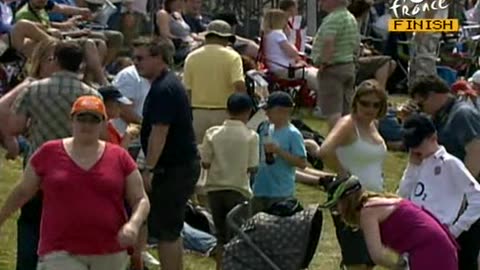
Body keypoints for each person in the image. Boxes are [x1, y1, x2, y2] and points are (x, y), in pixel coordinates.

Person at [0, 95, 150, 270]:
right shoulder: (49, 152)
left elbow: (141, 199)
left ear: (103, 123)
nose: (87, 125)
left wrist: (133, 225)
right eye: (82, 118)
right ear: (72, 120)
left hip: (110, 250)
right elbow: (22, 191)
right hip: (59, 249)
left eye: (94, 119)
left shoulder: (119, 157)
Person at [6, 40, 101, 270]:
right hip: (76, 167)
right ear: (80, 65)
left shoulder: (34, 89)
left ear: (54, 60)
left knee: (31, 222)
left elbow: (14, 127)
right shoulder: (91, 95)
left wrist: (33, 126)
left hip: (38, 168)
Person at [305, 79, 387, 270]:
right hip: (351, 200)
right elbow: (324, 151)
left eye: (376, 105)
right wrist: (344, 174)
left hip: (375, 199)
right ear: (356, 101)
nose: (370, 109)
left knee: (370, 259)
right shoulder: (348, 123)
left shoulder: (373, 125)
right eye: (365, 103)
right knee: (355, 261)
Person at [133, 36, 200, 270]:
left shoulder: (165, 89)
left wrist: (149, 169)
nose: (136, 63)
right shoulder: (163, 84)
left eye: (141, 58)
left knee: (167, 232)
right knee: (157, 224)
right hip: (175, 166)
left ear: (159, 58)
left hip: (174, 168)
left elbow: (159, 132)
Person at [399, 113, 480, 270]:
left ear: (433, 137)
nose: (415, 148)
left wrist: (455, 230)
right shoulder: (417, 164)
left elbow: (477, 198)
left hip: (437, 237)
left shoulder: (450, 164)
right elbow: (401, 199)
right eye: (411, 144)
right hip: (413, 237)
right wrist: (412, 168)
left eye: (418, 142)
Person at [323, 176, 459, 270]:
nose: (336, 212)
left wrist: (401, 265)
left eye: (336, 206)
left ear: (347, 200)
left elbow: (377, 255)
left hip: (430, 252)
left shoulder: (368, 212)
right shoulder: (378, 201)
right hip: (440, 248)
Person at [199, 92, 259, 270]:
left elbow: (206, 162)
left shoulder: (212, 133)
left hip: (215, 188)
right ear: (248, 112)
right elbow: (253, 167)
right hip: (238, 189)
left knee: (220, 235)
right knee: (238, 235)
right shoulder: (251, 136)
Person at [403, 75, 480, 180]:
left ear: (432, 94)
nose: (421, 110)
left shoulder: (462, 114)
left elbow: (475, 153)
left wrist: (462, 188)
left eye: (421, 105)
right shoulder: (439, 116)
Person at [183, 19, 246, 143]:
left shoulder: (191, 57)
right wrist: (242, 111)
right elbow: (239, 85)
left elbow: (187, 90)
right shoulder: (233, 56)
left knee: (201, 155)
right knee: (223, 156)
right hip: (225, 113)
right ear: (225, 38)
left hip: (198, 113)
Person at [252, 91, 307, 213]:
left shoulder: (293, 134)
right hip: (259, 188)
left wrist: (278, 151)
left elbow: (302, 163)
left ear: (284, 112)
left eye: (269, 110)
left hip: (280, 192)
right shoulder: (264, 128)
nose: (266, 114)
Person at [311, 0, 360, 130]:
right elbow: (356, 44)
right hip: (348, 66)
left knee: (333, 110)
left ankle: (335, 142)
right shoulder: (351, 18)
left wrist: (324, 63)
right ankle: (347, 141)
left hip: (332, 68)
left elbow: (329, 41)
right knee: (346, 110)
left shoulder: (333, 18)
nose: (321, 2)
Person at [261, 9, 319, 95]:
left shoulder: (268, 35)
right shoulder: (278, 34)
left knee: (312, 71)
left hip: (276, 69)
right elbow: (293, 53)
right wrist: (288, 38)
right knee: (314, 75)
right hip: (285, 70)